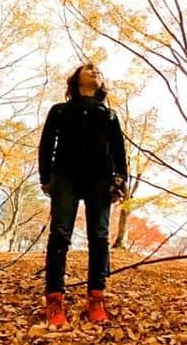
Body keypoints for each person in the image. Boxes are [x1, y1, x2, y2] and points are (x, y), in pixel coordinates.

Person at [38, 62, 127, 326]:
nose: (95, 71)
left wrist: (120, 180)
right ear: (76, 79)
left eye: (98, 71)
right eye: (88, 69)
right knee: (60, 236)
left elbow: (119, 154)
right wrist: (45, 178)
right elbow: (46, 145)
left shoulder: (109, 115)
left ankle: (96, 298)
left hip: (100, 180)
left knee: (99, 237)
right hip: (65, 176)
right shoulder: (60, 111)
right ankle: (54, 301)